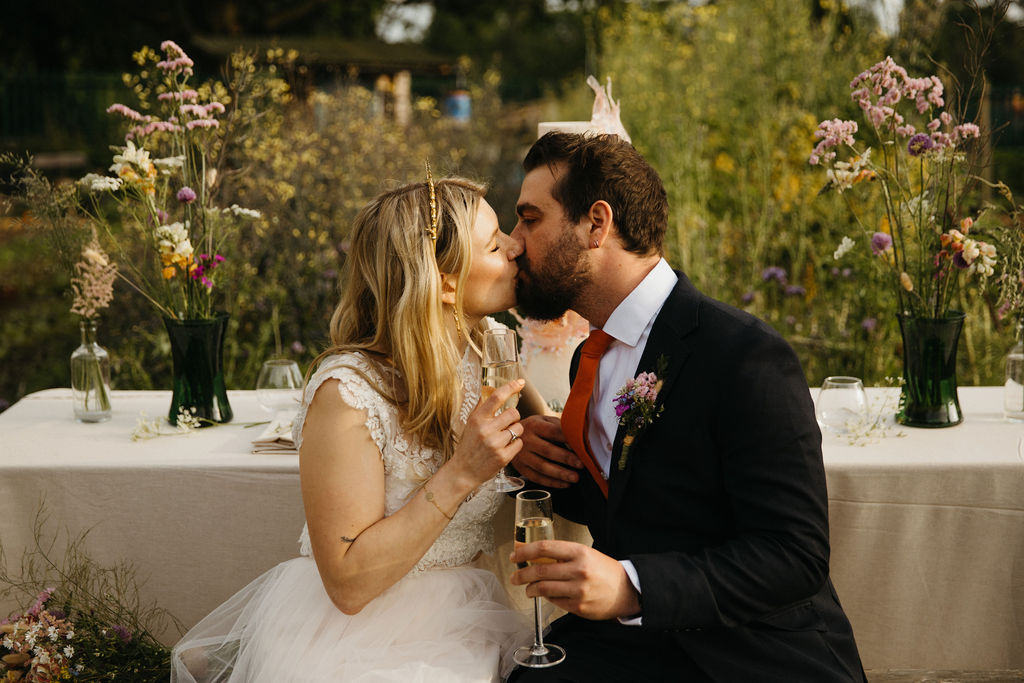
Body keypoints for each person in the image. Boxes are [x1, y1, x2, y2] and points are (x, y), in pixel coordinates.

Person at [506, 132, 866, 682]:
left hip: (751, 651)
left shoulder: (744, 355)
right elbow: (629, 501)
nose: (513, 243)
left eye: (529, 219)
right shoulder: (589, 356)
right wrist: (531, 458)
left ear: (596, 224)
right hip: (630, 647)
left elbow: (795, 556)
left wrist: (630, 588)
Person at [171, 173, 542, 682]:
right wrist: (462, 473)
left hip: (475, 612)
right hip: (372, 633)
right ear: (446, 281)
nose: (517, 247)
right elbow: (346, 584)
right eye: (496, 244)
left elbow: (543, 437)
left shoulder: (490, 344)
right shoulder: (347, 393)